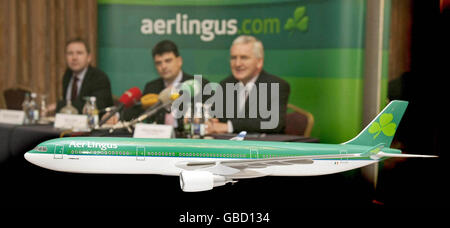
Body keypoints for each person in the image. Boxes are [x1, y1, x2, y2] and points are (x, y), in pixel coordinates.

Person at [207, 35, 290, 134]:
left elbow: (274, 122)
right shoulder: (225, 84)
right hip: (229, 147)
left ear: (259, 62)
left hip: (263, 147)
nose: (237, 63)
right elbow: (214, 116)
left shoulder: (276, 85)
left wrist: (229, 126)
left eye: (244, 57)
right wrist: (210, 121)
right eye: (233, 58)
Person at [121, 40, 208, 132]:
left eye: (168, 61)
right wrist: (117, 115)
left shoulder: (197, 85)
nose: (163, 66)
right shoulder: (152, 87)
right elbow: (138, 113)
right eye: (159, 63)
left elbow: (212, 116)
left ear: (179, 61)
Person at [52, 38, 113, 116]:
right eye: (70, 53)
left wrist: (58, 105)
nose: (74, 58)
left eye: (79, 53)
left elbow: (93, 106)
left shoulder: (99, 78)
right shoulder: (68, 75)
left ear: (89, 57)